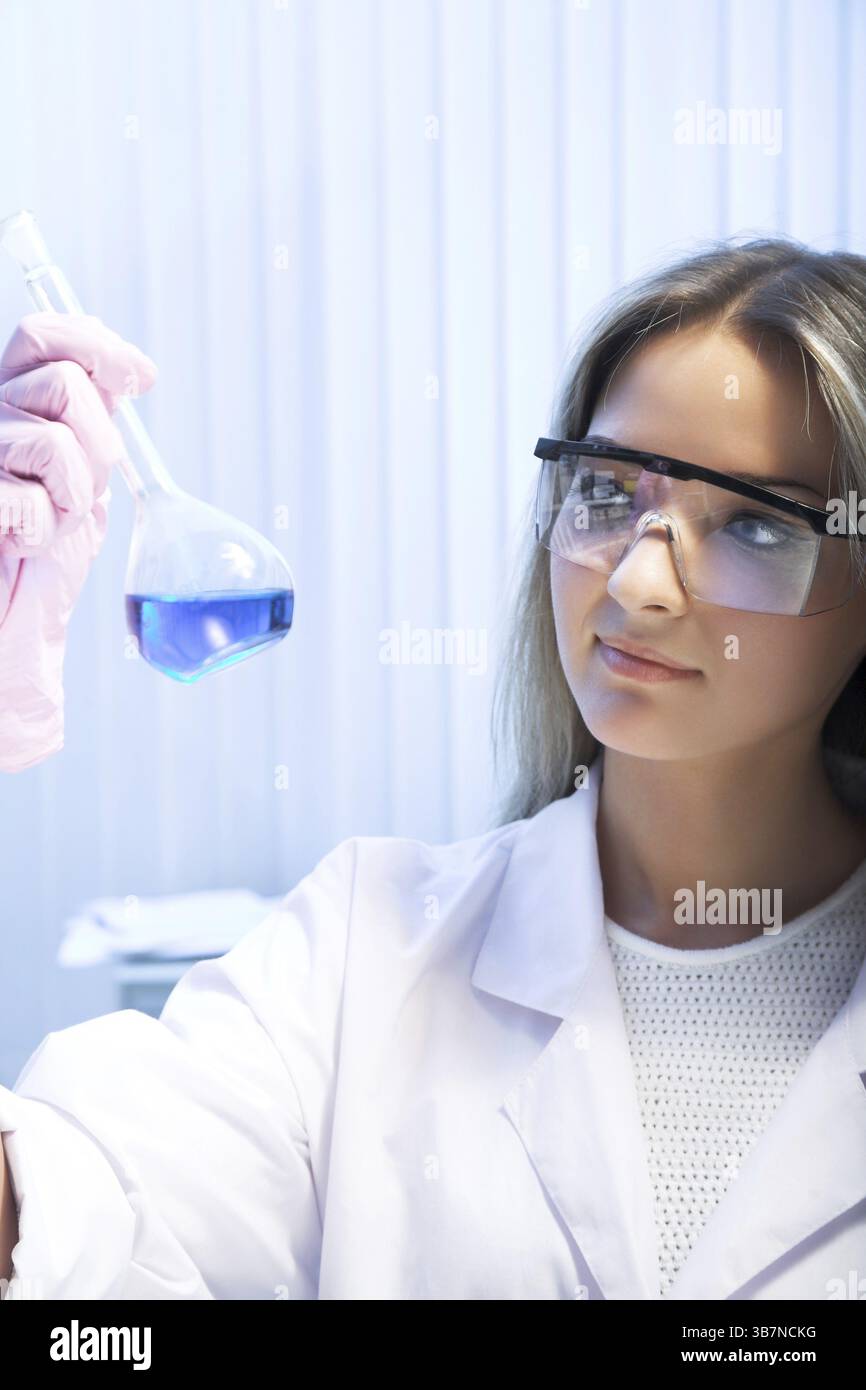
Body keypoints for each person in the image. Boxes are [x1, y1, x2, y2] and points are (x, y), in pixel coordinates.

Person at [2, 237, 866, 1301]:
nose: (638, 581)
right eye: (602, 493)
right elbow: (69, 1216)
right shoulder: (365, 952)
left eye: (748, 522)